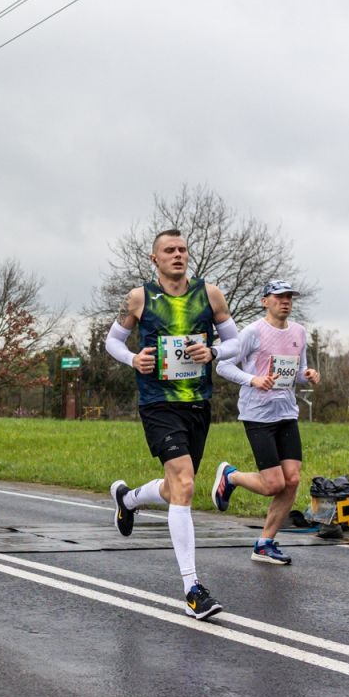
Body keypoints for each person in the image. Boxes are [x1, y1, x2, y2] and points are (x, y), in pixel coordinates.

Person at [105, 228, 241, 620]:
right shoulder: (140, 297)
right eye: (169, 250)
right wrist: (133, 359)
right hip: (157, 402)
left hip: (197, 403)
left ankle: (127, 500)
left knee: (175, 487)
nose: (178, 255)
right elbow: (112, 341)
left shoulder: (210, 294)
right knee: (184, 484)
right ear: (155, 259)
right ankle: (192, 588)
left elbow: (238, 342)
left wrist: (213, 350)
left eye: (182, 249)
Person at [214, 280, 321, 565]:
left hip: (286, 412)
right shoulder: (251, 333)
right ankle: (231, 477)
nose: (285, 301)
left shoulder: (299, 332)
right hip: (257, 414)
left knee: (293, 479)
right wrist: (253, 380)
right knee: (274, 484)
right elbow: (222, 365)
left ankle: (265, 543)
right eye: (279, 297)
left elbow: (297, 372)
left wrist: (307, 374)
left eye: (289, 297)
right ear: (265, 301)